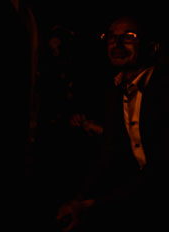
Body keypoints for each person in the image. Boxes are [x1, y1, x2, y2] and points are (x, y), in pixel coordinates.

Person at [56, 15, 165, 230]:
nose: (116, 43)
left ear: (152, 47)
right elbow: (109, 151)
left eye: (129, 37)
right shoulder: (116, 90)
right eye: (111, 37)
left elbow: (160, 172)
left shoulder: (163, 88)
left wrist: (91, 205)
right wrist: (79, 198)